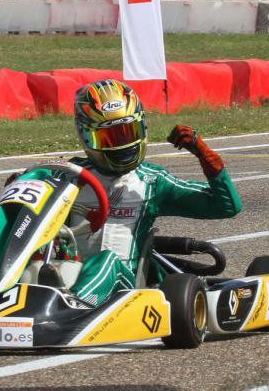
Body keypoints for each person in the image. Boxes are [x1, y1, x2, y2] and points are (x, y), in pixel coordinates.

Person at [59, 79, 242, 306]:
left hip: (124, 287)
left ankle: (74, 306)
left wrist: (208, 159)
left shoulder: (152, 181)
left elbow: (225, 206)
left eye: (127, 133)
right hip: (69, 275)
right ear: (87, 136)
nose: (122, 145)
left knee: (107, 262)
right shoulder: (67, 175)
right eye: (109, 137)